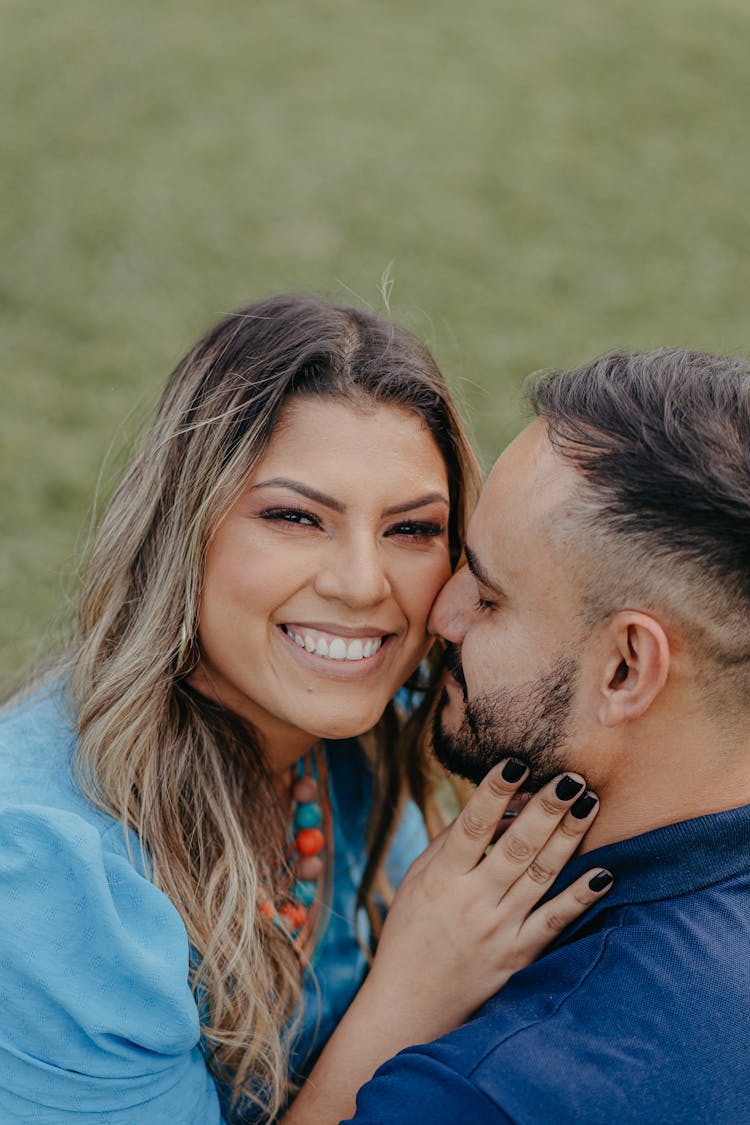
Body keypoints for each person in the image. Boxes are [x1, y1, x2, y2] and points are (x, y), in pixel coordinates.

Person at [0, 295, 611, 1125]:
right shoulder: (50, 871)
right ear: (182, 531)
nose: (362, 583)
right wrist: (413, 987)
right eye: (295, 516)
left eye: (411, 529)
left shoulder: (353, 732)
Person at [342, 347, 750, 1125]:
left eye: (489, 598)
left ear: (627, 669)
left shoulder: (496, 1089)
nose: (441, 614)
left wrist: (401, 999)